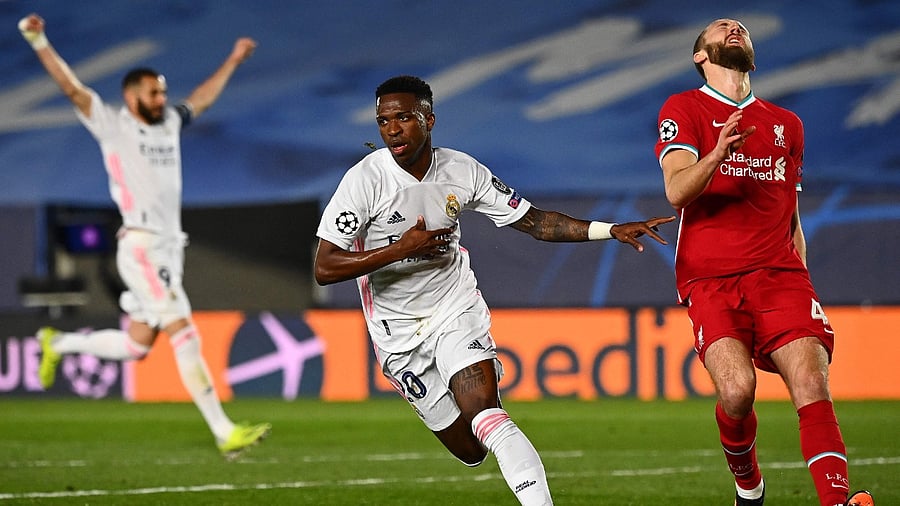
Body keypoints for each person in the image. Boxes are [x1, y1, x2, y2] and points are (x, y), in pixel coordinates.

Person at [315, 74, 674, 505]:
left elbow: (536, 222)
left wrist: (609, 229)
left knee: (486, 411)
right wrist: (399, 250)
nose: (392, 129)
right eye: (383, 120)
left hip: (453, 308)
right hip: (396, 332)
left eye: (404, 117)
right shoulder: (364, 182)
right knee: (471, 450)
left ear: (429, 119)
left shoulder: (462, 170)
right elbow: (325, 266)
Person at [18, 13, 270, 460]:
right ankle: (223, 431)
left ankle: (58, 342)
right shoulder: (112, 124)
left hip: (169, 246)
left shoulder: (170, 122)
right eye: (154, 92)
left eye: (163, 92)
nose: (162, 98)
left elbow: (202, 99)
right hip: (142, 245)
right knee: (183, 328)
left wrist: (232, 60)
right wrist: (38, 39)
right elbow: (72, 88)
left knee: (137, 345)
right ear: (131, 96)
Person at [655, 18, 874, 506]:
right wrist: (715, 156)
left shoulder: (786, 125)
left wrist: (803, 278)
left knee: (812, 381)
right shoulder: (683, 108)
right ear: (700, 55)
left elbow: (791, 217)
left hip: (780, 276)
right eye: (721, 27)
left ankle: (836, 503)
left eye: (741, 27)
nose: (734, 27)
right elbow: (675, 192)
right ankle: (749, 486)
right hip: (710, 279)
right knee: (736, 391)